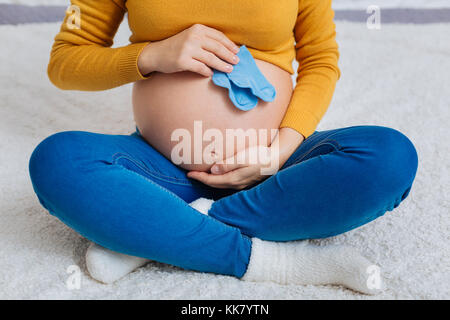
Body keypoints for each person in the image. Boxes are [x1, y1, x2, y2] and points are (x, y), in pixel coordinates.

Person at [28, 0, 418, 294]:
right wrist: (151, 56)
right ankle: (271, 260)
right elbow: (65, 62)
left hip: (276, 166)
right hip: (160, 167)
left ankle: (155, 233)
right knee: (58, 161)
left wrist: (278, 152)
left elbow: (320, 60)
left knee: (389, 157)